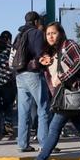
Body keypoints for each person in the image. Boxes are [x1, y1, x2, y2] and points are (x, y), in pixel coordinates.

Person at [20, 22, 80, 160]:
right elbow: (38, 65)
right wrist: (39, 62)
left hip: (70, 94)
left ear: (61, 33)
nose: (50, 36)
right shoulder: (51, 51)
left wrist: (62, 78)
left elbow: (79, 62)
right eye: (48, 33)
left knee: (54, 128)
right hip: (64, 96)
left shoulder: (69, 44)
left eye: (54, 33)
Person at [13, 11, 51, 152]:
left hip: (19, 75)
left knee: (24, 111)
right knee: (43, 108)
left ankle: (23, 144)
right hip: (33, 74)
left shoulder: (19, 34)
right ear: (36, 21)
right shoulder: (36, 33)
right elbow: (39, 53)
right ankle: (45, 144)